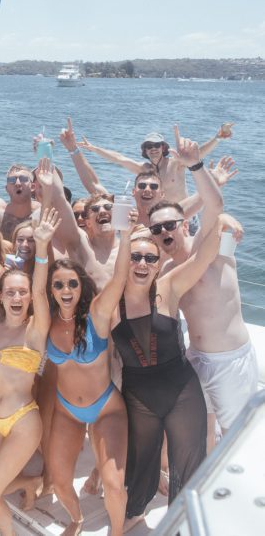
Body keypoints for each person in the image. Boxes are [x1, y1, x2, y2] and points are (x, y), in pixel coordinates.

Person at [112, 223, 221, 532]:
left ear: (159, 265)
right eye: (135, 256)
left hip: (182, 390)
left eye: (150, 258)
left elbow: (207, 254)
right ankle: (135, 512)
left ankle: (180, 522)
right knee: (141, 461)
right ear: (124, 259)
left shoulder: (169, 287)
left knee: (188, 461)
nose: (142, 264)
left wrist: (218, 217)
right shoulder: (110, 301)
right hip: (138, 395)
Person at [43, 209, 138, 536]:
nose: (66, 290)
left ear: (81, 287)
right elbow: (37, 274)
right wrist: (43, 243)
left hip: (105, 408)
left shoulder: (97, 313)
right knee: (58, 480)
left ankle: (116, 531)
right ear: (51, 290)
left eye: (72, 283)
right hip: (66, 410)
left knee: (113, 484)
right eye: (59, 285)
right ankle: (77, 518)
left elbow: (120, 278)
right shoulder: (45, 321)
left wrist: (127, 233)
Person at [0, 209, 60, 536]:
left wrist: (41, 247)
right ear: (1, 296)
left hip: (23, 420)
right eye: (10, 292)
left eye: (22, 292)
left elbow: (40, 290)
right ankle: (31, 482)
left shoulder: (36, 330)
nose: (18, 297)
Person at [151, 202, 257, 439]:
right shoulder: (167, 269)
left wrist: (226, 218)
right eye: (157, 229)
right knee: (201, 426)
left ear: (185, 225)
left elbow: (216, 215)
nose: (164, 232)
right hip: (195, 359)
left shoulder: (218, 251)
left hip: (230, 361)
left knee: (235, 435)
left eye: (169, 225)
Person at [78, 124, 233, 202]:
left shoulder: (176, 163)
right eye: (149, 146)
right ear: (145, 151)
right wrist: (94, 148)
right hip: (159, 217)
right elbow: (118, 158)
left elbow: (199, 153)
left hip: (184, 214)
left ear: (163, 147)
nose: (153, 149)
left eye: (156, 145)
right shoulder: (144, 169)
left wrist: (217, 138)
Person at [0, 164, 40, 241]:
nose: (17, 183)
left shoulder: (42, 214)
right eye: (11, 180)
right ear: (6, 189)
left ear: (33, 187)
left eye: (23, 179)